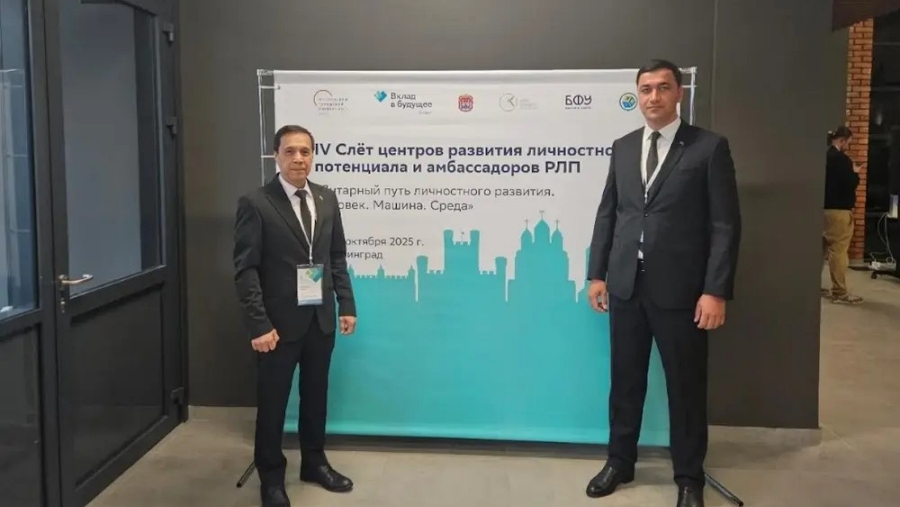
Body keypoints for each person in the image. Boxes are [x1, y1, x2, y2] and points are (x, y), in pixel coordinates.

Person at [585, 59, 742, 507]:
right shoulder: (622, 147)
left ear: (679, 94)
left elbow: (725, 225)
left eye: (662, 87)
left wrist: (715, 290)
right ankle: (620, 461)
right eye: (645, 89)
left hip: (683, 293)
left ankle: (689, 476)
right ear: (637, 95)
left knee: (685, 388)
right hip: (625, 287)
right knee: (625, 382)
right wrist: (597, 273)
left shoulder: (708, 148)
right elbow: (609, 213)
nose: (653, 96)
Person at [233, 124, 358, 507]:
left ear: (313, 155)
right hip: (276, 327)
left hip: (320, 320)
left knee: (315, 397)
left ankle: (314, 463)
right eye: (290, 151)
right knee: (272, 404)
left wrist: (346, 304)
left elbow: (336, 256)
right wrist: (259, 324)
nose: (298, 158)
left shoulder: (326, 198)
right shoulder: (256, 203)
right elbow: (246, 269)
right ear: (276, 155)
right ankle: (271, 478)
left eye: (305, 151)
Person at [822, 126, 863, 304]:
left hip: (821, 210)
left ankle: (813, 287)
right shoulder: (842, 159)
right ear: (842, 140)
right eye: (848, 143)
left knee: (819, 251)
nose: (848, 146)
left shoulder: (823, 156)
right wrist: (855, 173)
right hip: (839, 211)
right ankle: (839, 292)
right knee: (838, 251)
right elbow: (850, 183)